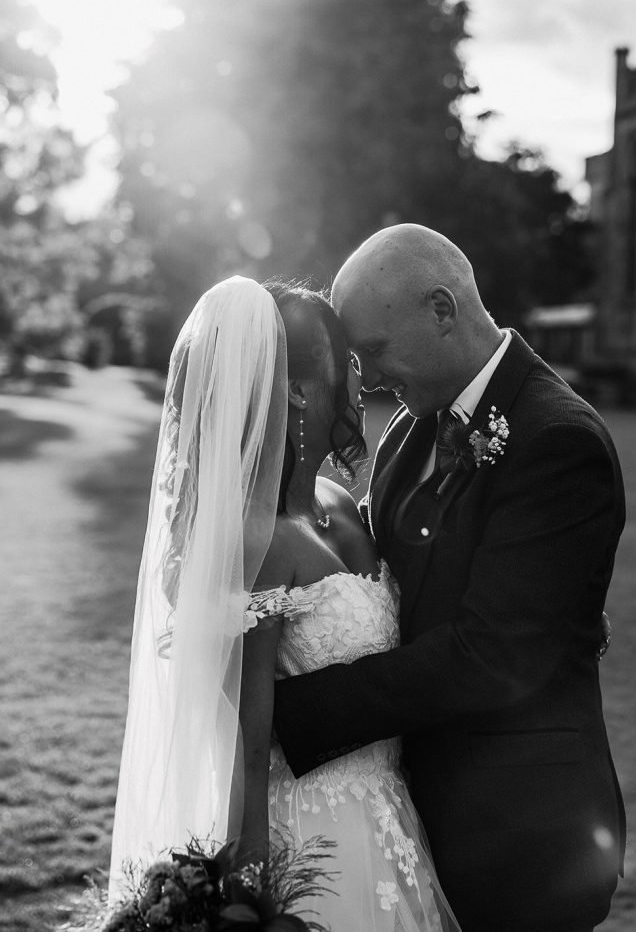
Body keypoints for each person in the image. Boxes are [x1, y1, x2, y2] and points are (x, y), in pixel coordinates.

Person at [273, 225, 627, 932]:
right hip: (413, 817)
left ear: (442, 309)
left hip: (524, 838)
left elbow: (492, 655)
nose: (367, 378)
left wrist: (287, 711)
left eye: (374, 350)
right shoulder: (411, 428)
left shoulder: (558, 440)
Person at [109, 275, 460, 932]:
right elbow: (243, 734)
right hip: (309, 835)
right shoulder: (256, 541)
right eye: (347, 362)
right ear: (297, 389)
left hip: (391, 811)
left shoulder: (343, 507)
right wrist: (253, 876)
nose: (363, 378)